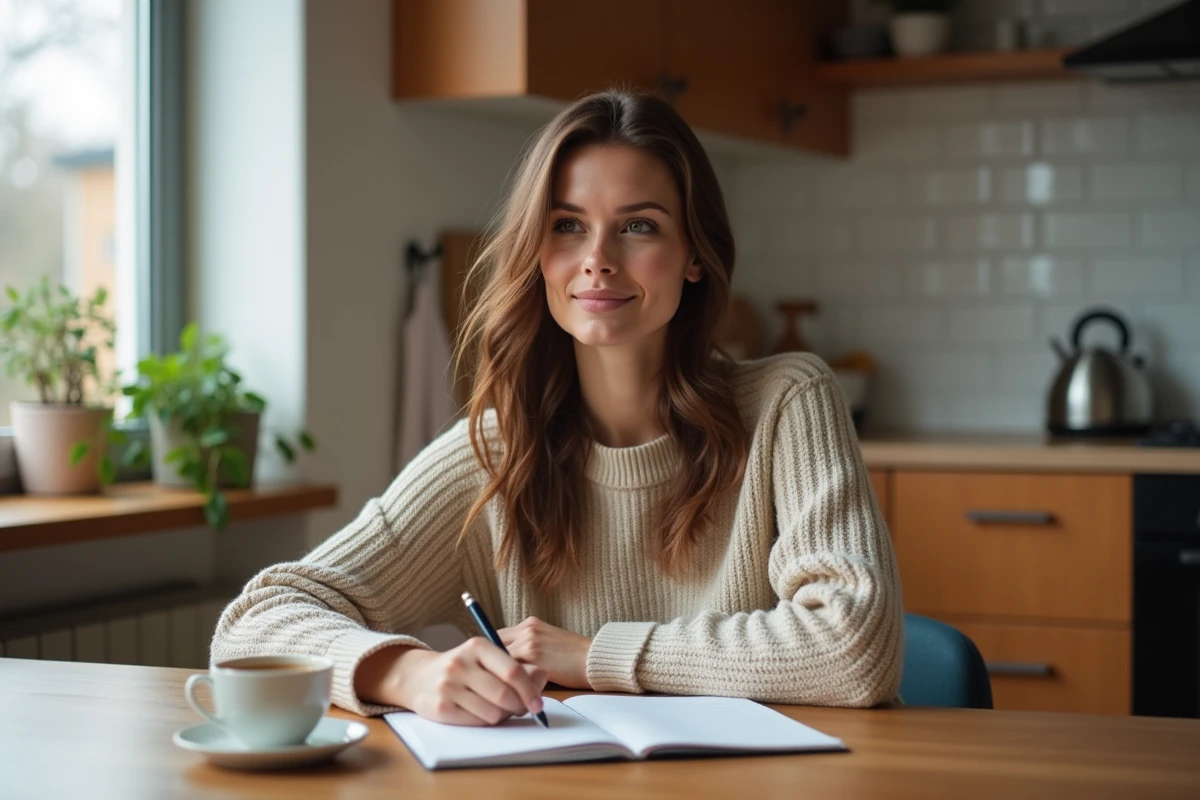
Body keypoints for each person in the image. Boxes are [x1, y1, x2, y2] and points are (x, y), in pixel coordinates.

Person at [211, 88, 903, 727]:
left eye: (639, 226)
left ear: (696, 254)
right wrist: (411, 674)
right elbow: (254, 621)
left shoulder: (789, 402)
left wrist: (594, 655)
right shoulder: (494, 455)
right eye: (568, 225)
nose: (597, 259)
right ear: (537, 254)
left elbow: (853, 646)